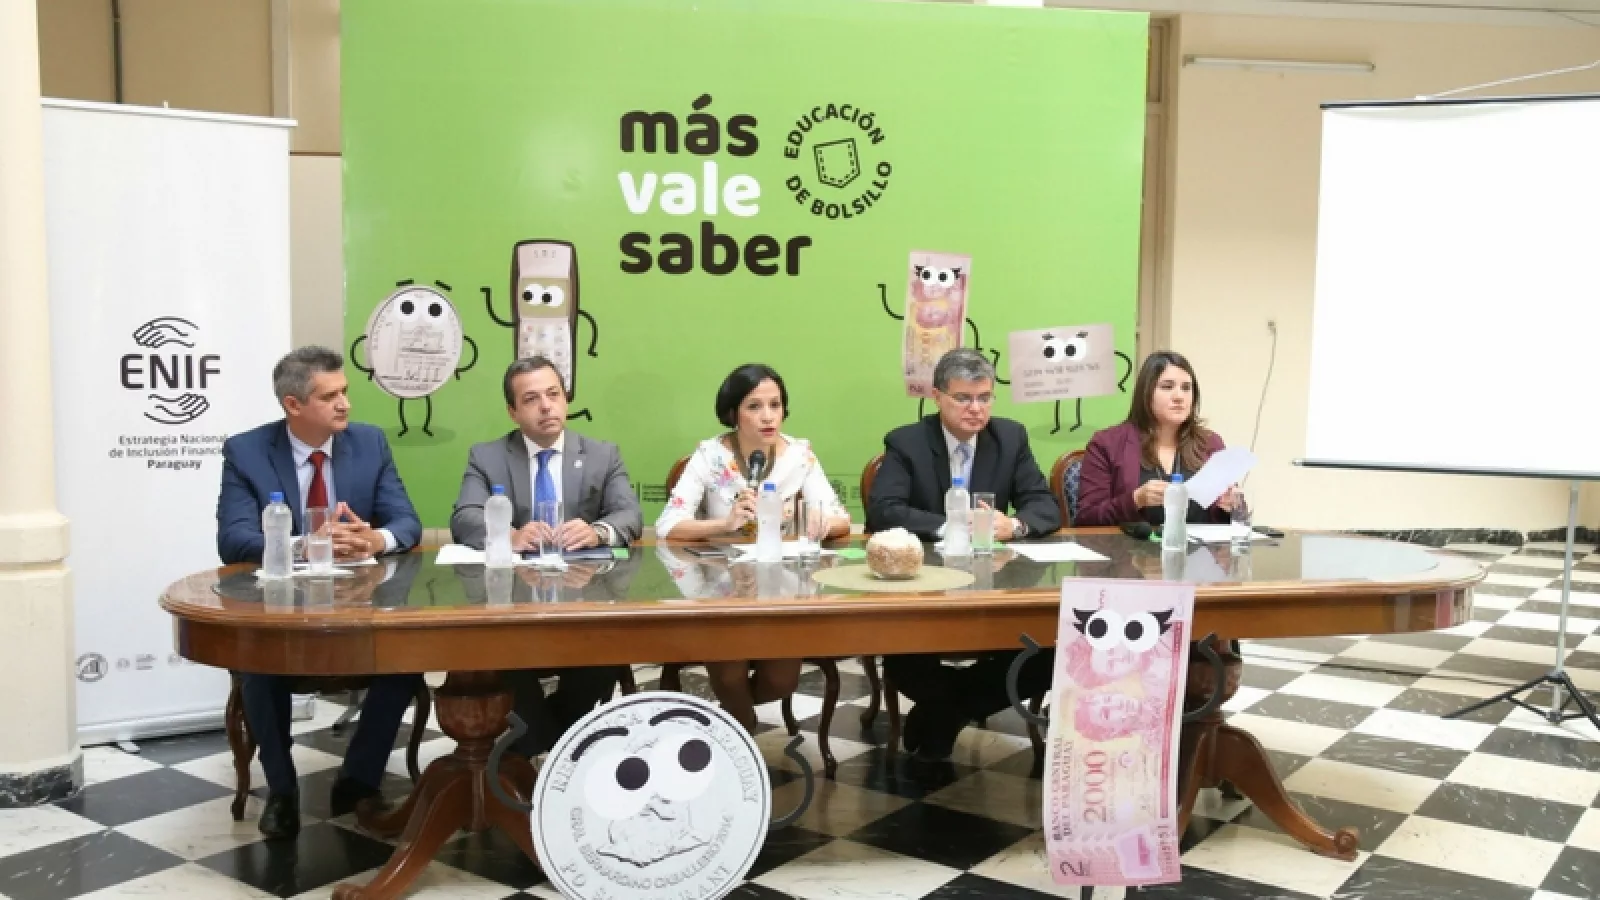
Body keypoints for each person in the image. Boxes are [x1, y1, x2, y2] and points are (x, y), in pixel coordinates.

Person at [216, 346, 423, 839]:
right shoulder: (247, 452)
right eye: (330, 397)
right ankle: (282, 790)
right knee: (258, 663)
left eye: (345, 392)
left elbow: (406, 522)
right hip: (283, 609)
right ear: (293, 404)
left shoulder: (369, 443)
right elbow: (233, 539)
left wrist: (375, 539)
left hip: (360, 606)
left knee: (407, 659)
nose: (345, 404)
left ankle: (358, 779)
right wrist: (301, 544)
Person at [866, 348, 1061, 761]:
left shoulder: (1010, 438)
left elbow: (1044, 505)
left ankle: (945, 712)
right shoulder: (907, 442)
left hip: (997, 585)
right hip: (925, 589)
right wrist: (952, 525)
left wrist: (1014, 525)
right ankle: (952, 709)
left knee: (1048, 652)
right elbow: (884, 510)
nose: (976, 409)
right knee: (904, 657)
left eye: (984, 398)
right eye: (963, 398)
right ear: (938, 397)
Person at [451, 356, 644, 756]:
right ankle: (555, 747)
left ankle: (540, 743)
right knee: (496, 648)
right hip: (513, 606)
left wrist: (597, 531)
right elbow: (464, 517)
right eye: (531, 399)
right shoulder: (487, 457)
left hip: (584, 601)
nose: (546, 406)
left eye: (553, 395)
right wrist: (509, 534)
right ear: (513, 411)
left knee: (610, 643)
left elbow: (630, 515)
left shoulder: (602, 454)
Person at [654, 363, 851, 731]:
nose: (768, 417)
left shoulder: (799, 455)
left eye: (775, 405)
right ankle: (737, 731)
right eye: (754, 407)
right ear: (733, 413)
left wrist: (810, 518)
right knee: (730, 679)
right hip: (722, 590)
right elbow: (668, 526)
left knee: (781, 682)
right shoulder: (711, 456)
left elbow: (840, 519)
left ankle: (718, 723)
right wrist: (724, 523)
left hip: (783, 590)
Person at [1075, 350, 1240, 528]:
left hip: (1197, 546)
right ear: (1146, 393)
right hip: (1131, 546)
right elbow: (1087, 518)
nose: (1179, 397)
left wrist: (1229, 506)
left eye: (1186, 388)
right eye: (1167, 387)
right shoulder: (1107, 444)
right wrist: (1135, 500)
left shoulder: (1211, 443)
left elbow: (1234, 519)